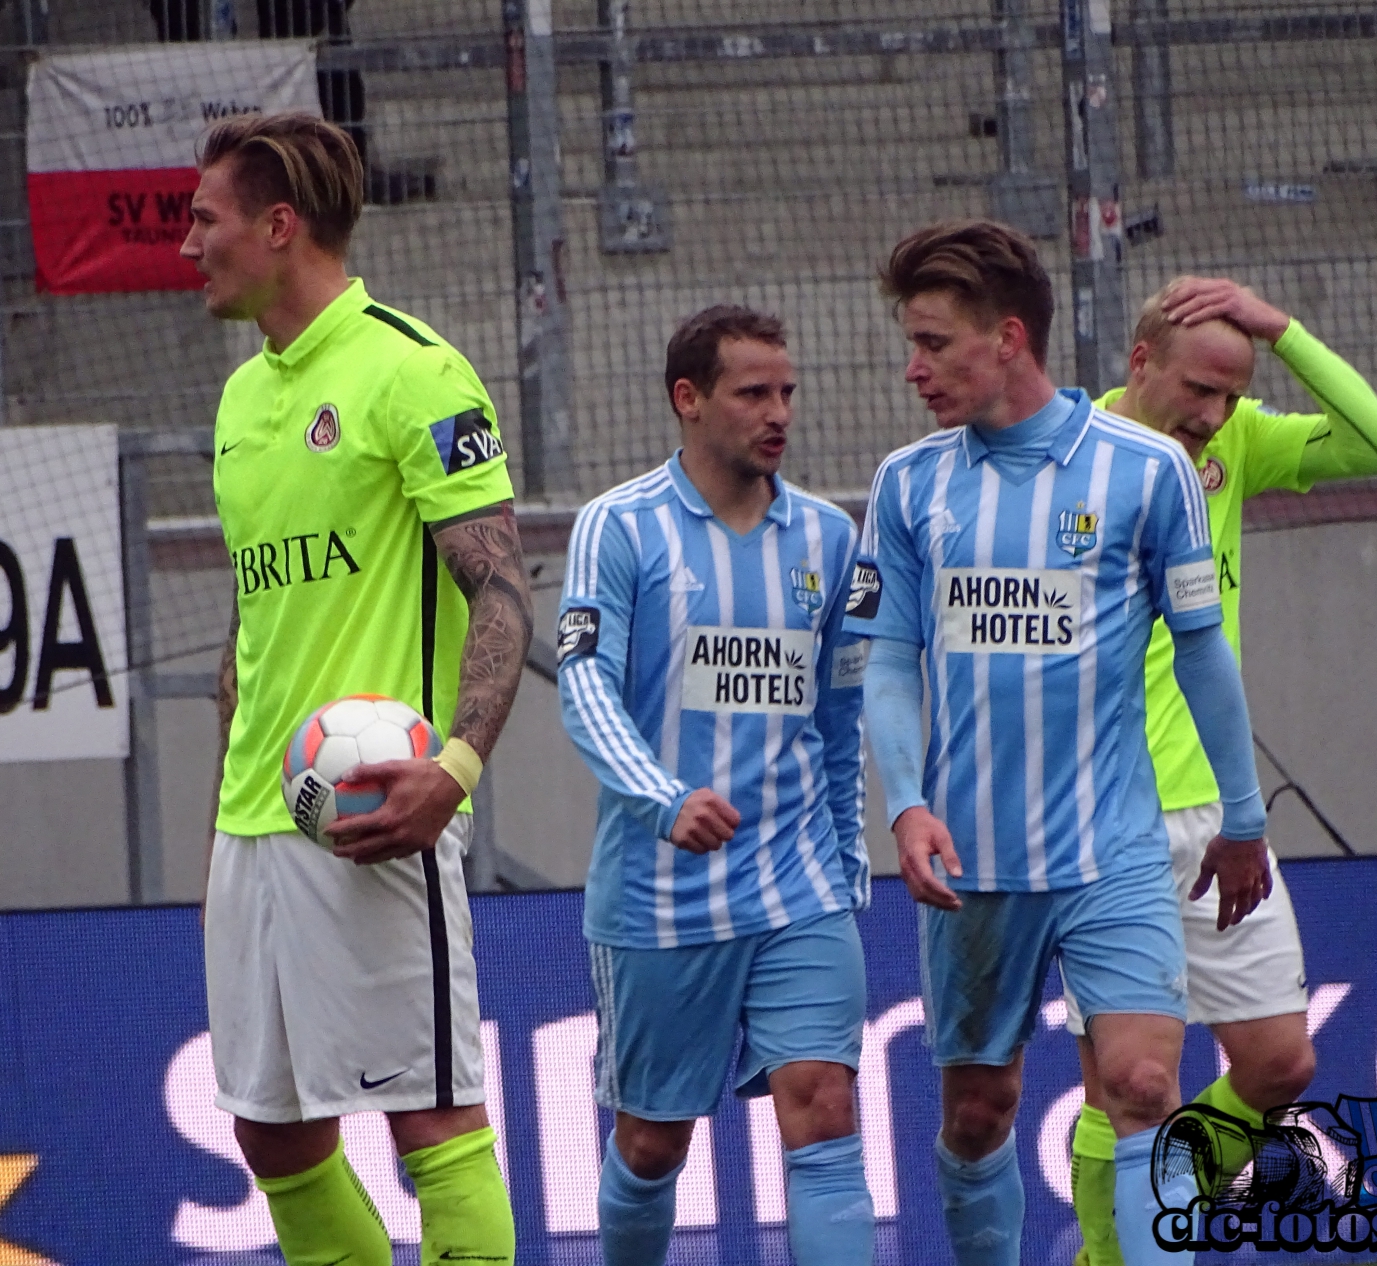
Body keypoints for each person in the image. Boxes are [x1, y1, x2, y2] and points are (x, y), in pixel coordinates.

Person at [849, 220, 1274, 1266]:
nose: (916, 369)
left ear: (1008, 337)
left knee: (1141, 1087)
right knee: (979, 1115)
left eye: (935, 343)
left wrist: (1242, 815)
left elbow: (1202, 652)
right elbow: (889, 663)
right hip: (974, 857)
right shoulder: (910, 485)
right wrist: (904, 802)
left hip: (1113, 849)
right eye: (912, 343)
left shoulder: (1146, 471)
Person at [185, 112, 531, 1266]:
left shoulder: (409, 368)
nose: (189, 243)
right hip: (256, 822)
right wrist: (233, 757)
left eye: (206, 218)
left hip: (377, 812)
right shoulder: (241, 400)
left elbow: (501, 591)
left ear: (279, 227)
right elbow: (257, 608)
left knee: (430, 1118)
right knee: (270, 1132)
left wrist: (456, 769)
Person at [1066, 276, 1377, 1265]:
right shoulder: (1073, 455)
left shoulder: (1234, 449)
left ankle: (1137, 1222)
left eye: (1231, 394)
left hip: (1224, 822)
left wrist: (1284, 330)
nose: (1216, 418)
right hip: (1106, 825)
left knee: (1280, 1063)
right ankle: (1112, 1254)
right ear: (1140, 366)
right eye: (1199, 392)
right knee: (1131, 1085)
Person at [556, 305, 875, 1266]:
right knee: (653, 1144)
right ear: (687, 401)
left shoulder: (830, 538)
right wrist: (664, 797)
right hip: (659, 900)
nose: (778, 412)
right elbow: (582, 684)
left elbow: (840, 716)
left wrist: (849, 855)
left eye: (787, 392)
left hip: (800, 888)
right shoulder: (618, 528)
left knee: (823, 1109)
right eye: (752, 393)